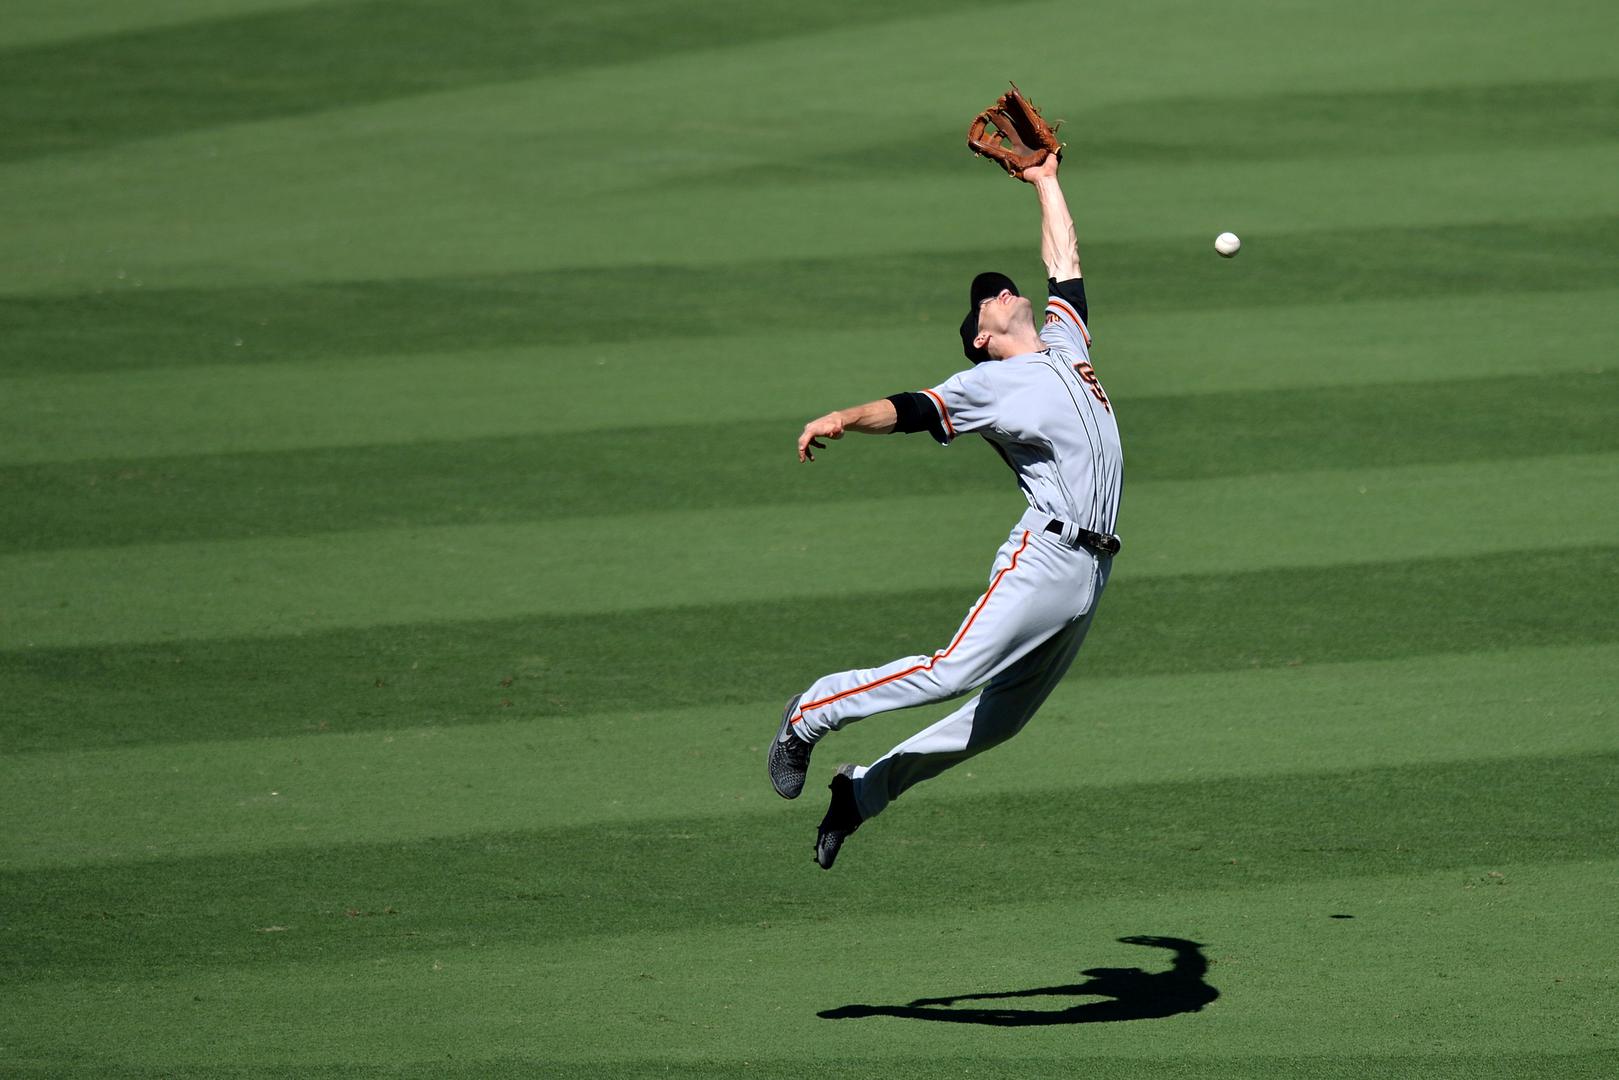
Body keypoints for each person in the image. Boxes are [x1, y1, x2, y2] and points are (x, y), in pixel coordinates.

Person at [766, 152, 1125, 870]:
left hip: (1091, 574)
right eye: (986, 302)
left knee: (999, 722)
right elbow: (910, 408)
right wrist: (846, 415)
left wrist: (1045, 178)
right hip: (1047, 557)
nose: (998, 294)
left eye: (997, 292)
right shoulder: (984, 385)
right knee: (952, 670)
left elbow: (1064, 260)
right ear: (981, 341)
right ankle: (811, 713)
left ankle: (860, 794)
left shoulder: (1065, 344)